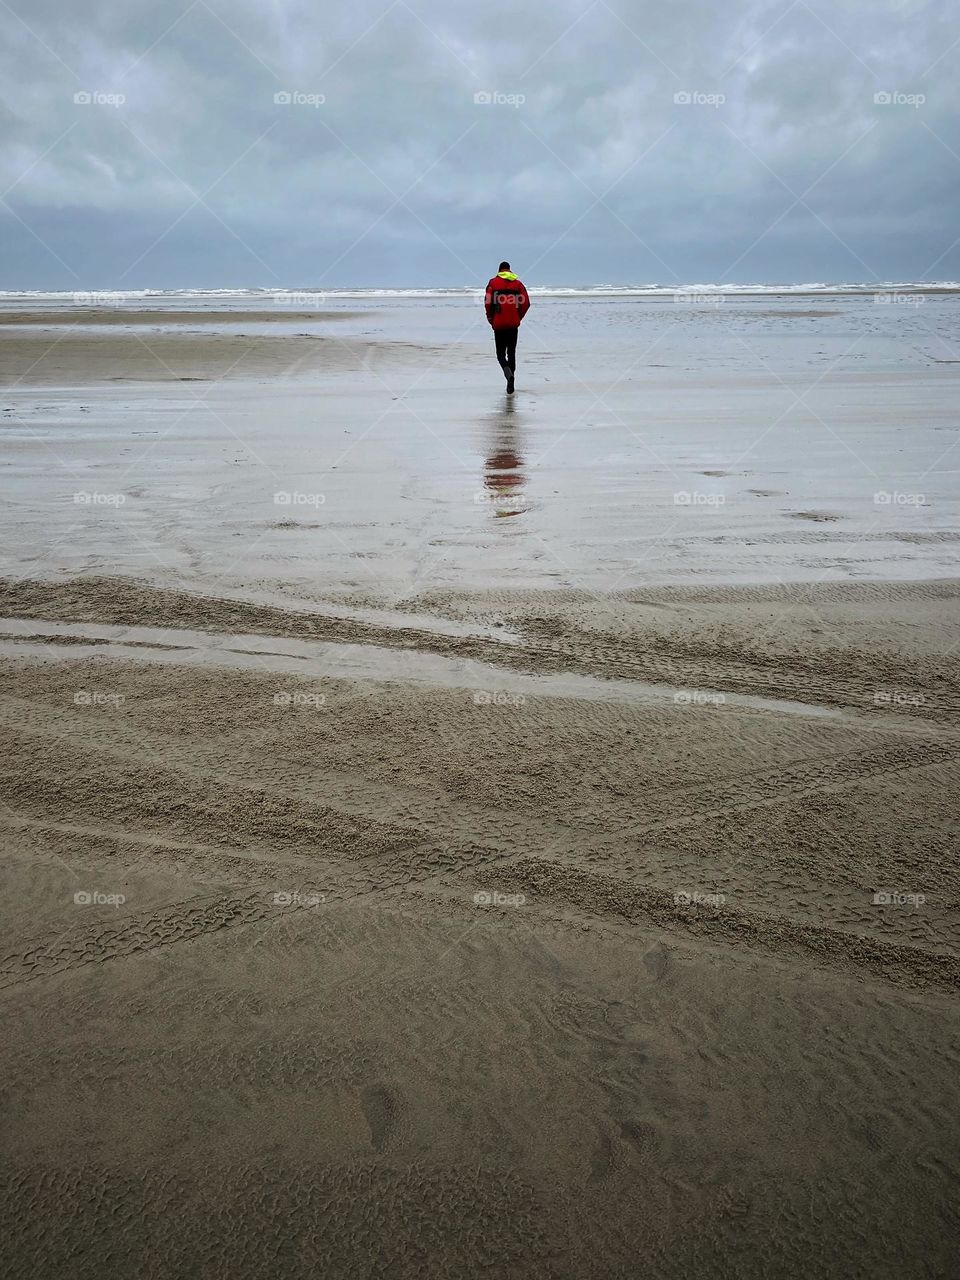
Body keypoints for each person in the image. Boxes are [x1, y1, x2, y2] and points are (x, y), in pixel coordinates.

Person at [484, 261, 530, 394]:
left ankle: (508, 375)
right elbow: (526, 303)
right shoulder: (518, 284)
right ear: (509, 270)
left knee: (500, 354)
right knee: (511, 352)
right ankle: (511, 380)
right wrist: (518, 317)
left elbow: (487, 303)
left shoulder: (493, 283)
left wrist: (490, 318)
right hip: (513, 324)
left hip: (498, 324)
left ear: (499, 270)